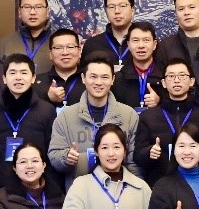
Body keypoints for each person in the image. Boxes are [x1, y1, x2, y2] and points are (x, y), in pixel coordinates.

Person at [48, 55, 140, 187]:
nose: (98, 82)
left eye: (105, 77)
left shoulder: (129, 115)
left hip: (119, 189)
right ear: (83, 78)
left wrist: (136, 189)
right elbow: (54, 155)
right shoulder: (66, 117)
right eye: (93, 77)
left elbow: (133, 161)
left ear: (113, 80)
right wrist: (67, 157)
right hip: (80, 191)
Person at [133, 58, 199, 185]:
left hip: (196, 182)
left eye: (182, 76)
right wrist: (149, 152)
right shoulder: (148, 117)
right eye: (171, 76)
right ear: (163, 83)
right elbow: (137, 155)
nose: (176, 80)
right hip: (160, 184)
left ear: (192, 81)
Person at [0, 54, 58, 188]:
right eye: (12, 73)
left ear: (33, 78)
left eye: (24, 72)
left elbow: (50, 155)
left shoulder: (46, 111)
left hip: (34, 186)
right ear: (4, 78)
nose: (18, 78)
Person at [0, 0, 54, 74]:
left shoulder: (58, 43)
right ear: (19, 12)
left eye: (38, 7)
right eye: (27, 7)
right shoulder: (5, 44)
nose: (32, 12)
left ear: (47, 11)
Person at [109, 21, 164, 113]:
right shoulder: (118, 79)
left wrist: (160, 101)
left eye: (146, 40)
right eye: (135, 40)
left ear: (154, 45)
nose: (141, 46)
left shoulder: (166, 76)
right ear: (128, 45)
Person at [80, 0, 137, 71]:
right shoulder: (92, 44)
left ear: (132, 10)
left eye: (122, 6)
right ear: (106, 11)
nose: (117, 11)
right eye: (111, 7)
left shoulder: (145, 44)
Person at [35, 28, 87, 110]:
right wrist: (47, 98)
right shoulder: (36, 82)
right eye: (58, 48)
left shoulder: (90, 80)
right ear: (50, 54)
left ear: (79, 51)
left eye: (70, 47)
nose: (65, 52)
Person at [156, 0, 199, 65]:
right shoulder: (165, 46)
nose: (186, 13)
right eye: (181, 9)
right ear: (176, 15)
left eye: (191, 7)